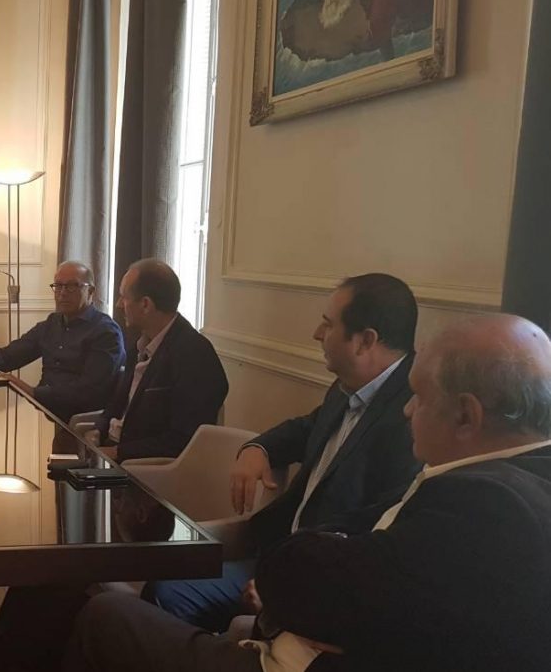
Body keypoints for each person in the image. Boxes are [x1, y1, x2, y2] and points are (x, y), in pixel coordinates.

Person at [65, 313, 551, 672]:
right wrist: (258, 448)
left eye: (420, 398)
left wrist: (294, 590)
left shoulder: (490, 508)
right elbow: (358, 568)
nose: (408, 410)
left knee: (106, 614)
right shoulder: (500, 477)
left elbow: (299, 577)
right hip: (298, 612)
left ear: (466, 416)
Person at [140, 273, 423, 633]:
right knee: (161, 574)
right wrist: (257, 448)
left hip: (319, 580)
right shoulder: (349, 387)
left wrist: (288, 585)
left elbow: (377, 530)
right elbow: (305, 428)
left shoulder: (412, 416)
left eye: (328, 324)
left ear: (365, 341)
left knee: (167, 592)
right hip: (278, 552)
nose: (317, 334)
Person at [0, 261, 125, 421]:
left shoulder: (106, 332)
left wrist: (32, 392)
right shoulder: (52, 323)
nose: (62, 293)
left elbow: (88, 391)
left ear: (91, 291)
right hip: (52, 414)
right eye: (58, 286)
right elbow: (10, 355)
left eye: (72, 286)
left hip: (85, 425)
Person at [96, 259, 228, 461]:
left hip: (143, 468)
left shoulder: (195, 355)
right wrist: (97, 431)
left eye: (124, 297)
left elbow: (182, 440)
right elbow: (117, 405)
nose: (119, 304)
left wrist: (116, 453)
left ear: (145, 304)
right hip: (112, 452)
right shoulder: (139, 345)